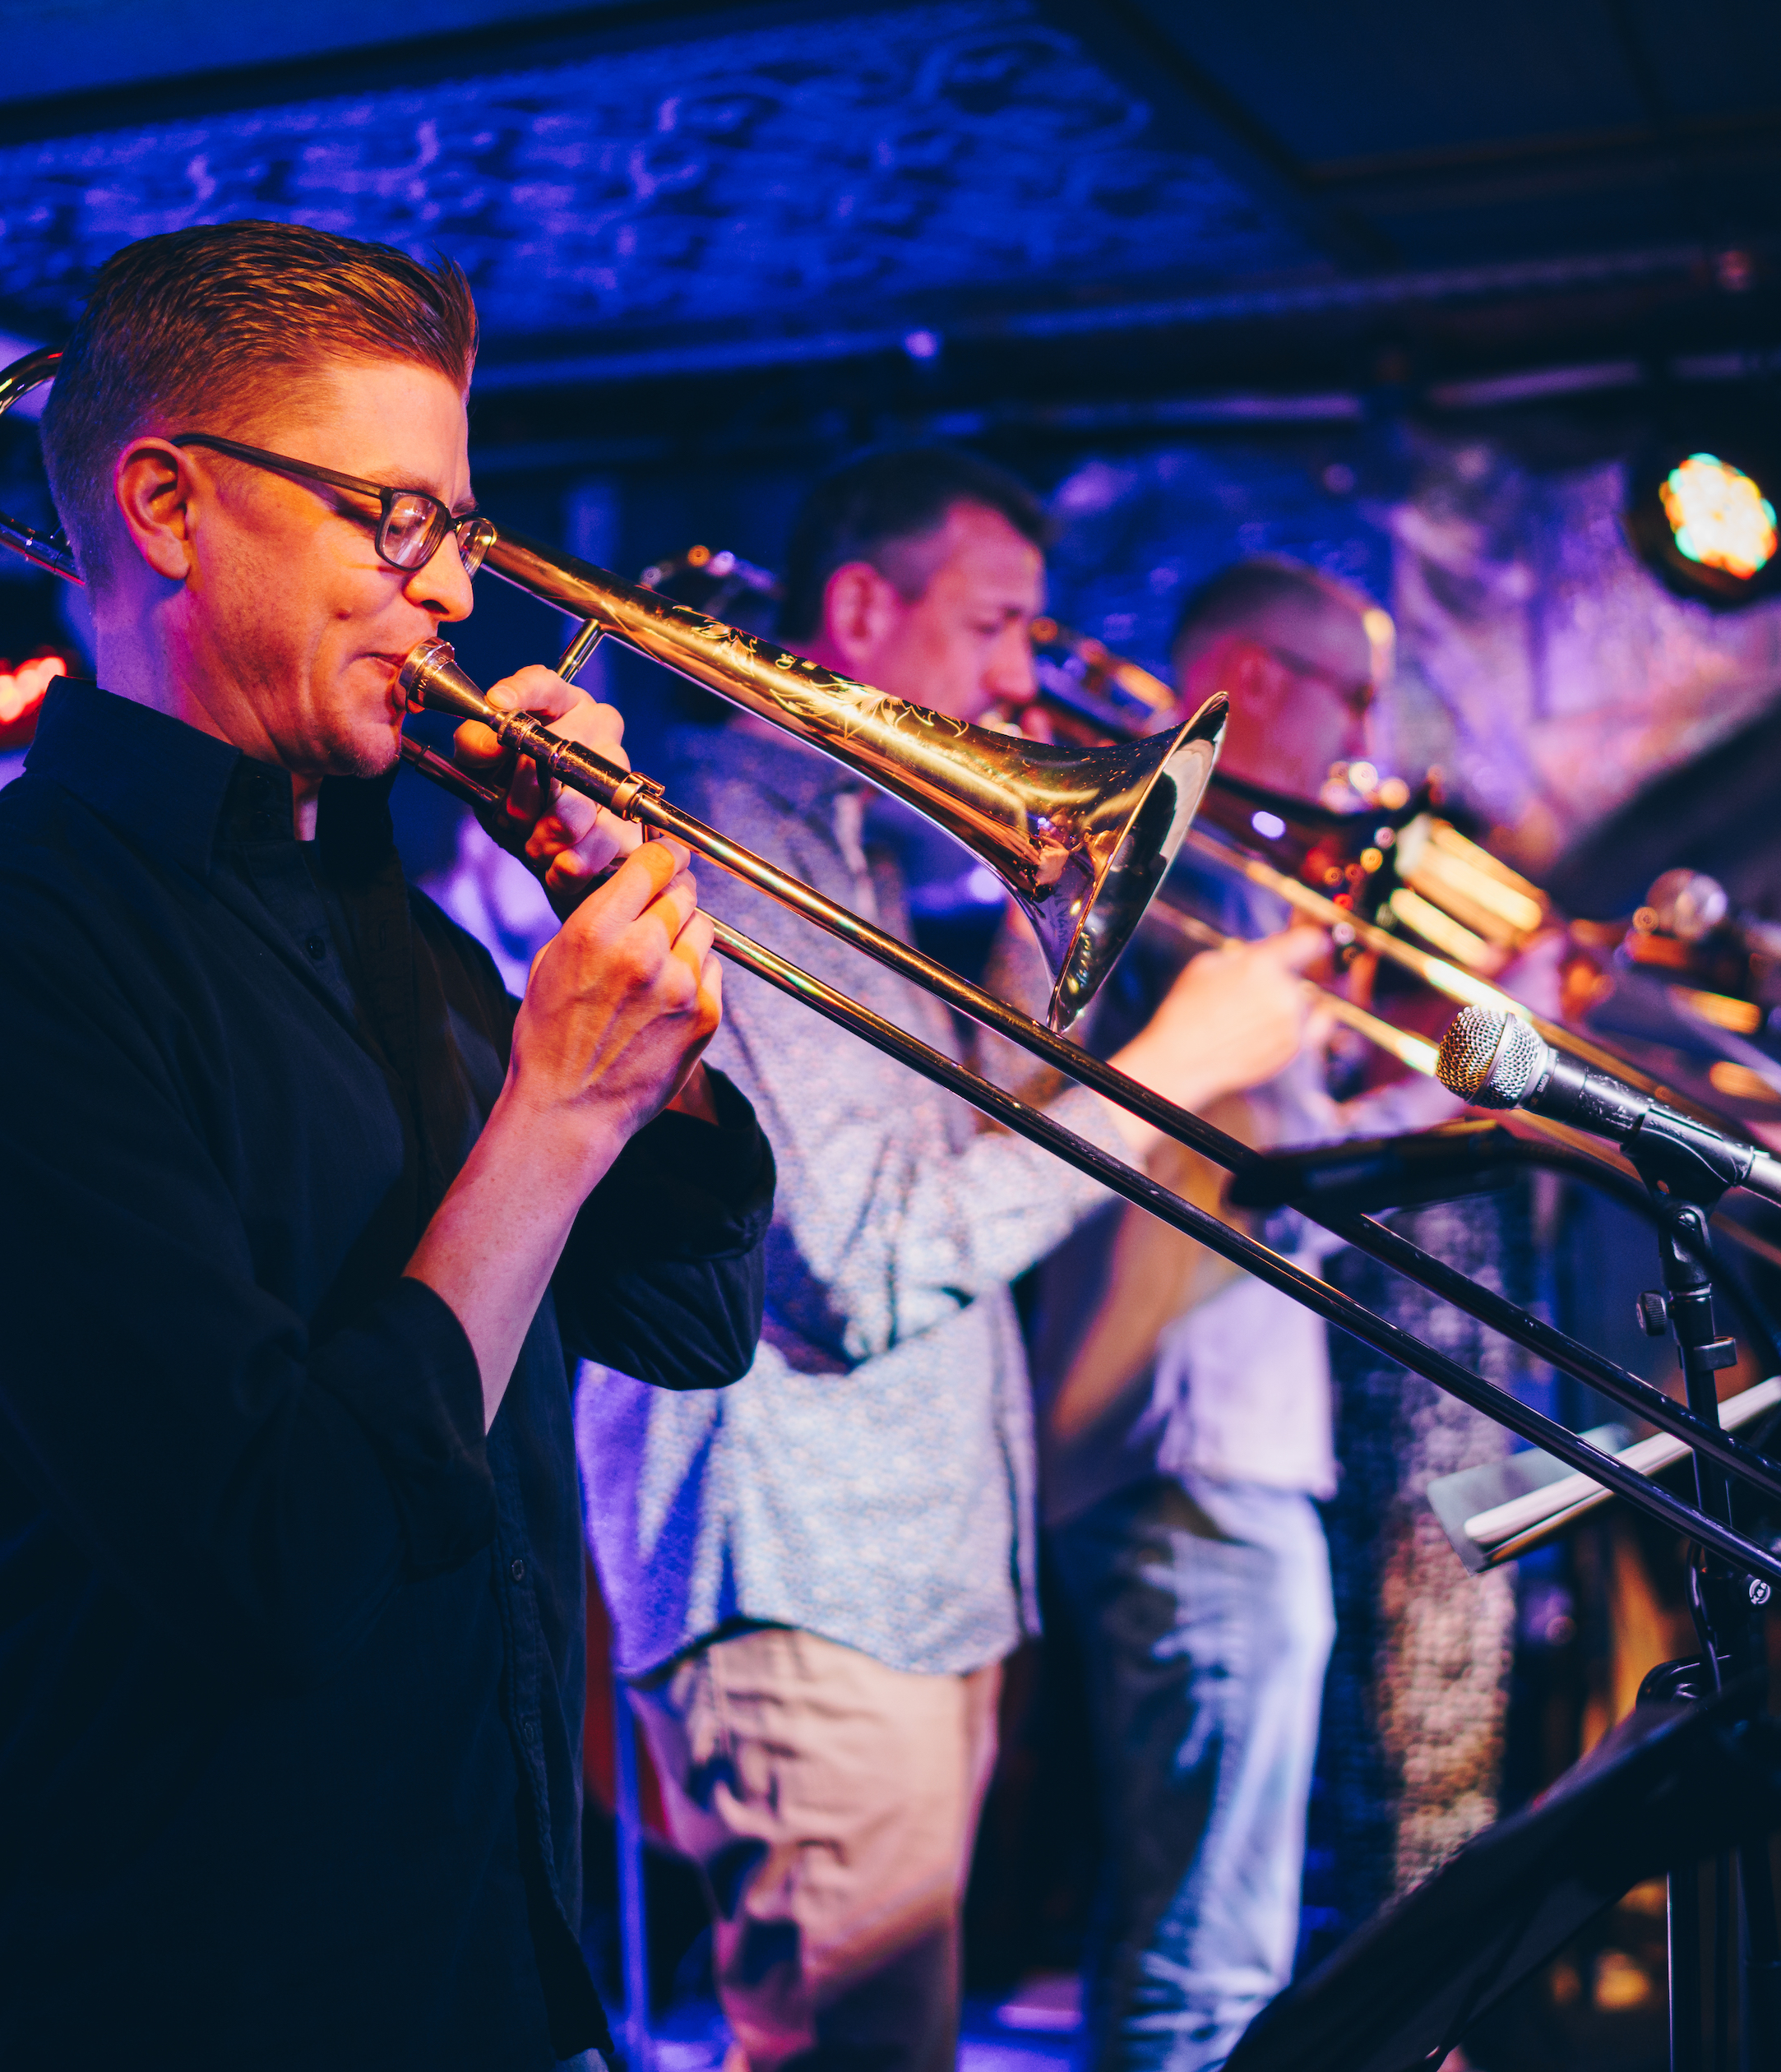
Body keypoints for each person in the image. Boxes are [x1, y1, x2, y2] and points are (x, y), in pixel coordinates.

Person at [0, 221, 775, 2070]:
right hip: (158, 1989)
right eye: (392, 518)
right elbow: (278, 1552)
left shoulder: (392, 921)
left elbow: (689, 1315)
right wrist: (556, 1100)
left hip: (469, 1958)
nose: (452, 594)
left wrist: (614, 941)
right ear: (170, 505)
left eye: (460, 531)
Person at [579, 451, 1328, 2072]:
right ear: (859, 606)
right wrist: (1178, 1066)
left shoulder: (844, 846)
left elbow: (950, 1158)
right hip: (802, 1572)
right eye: (993, 625)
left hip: (903, 1571)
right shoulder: (722, 838)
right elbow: (859, 1265)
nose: (1014, 679)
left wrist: (1033, 928)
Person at [1026, 556, 1387, 2071]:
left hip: (1196, 1449)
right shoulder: (1190, 875)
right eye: (1348, 694)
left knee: (1191, 1918)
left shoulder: (1238, 881)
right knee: (1212, 1955)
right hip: (1191, 1450)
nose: (1364, 741)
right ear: (1255, 667)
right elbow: (1229, 1163)